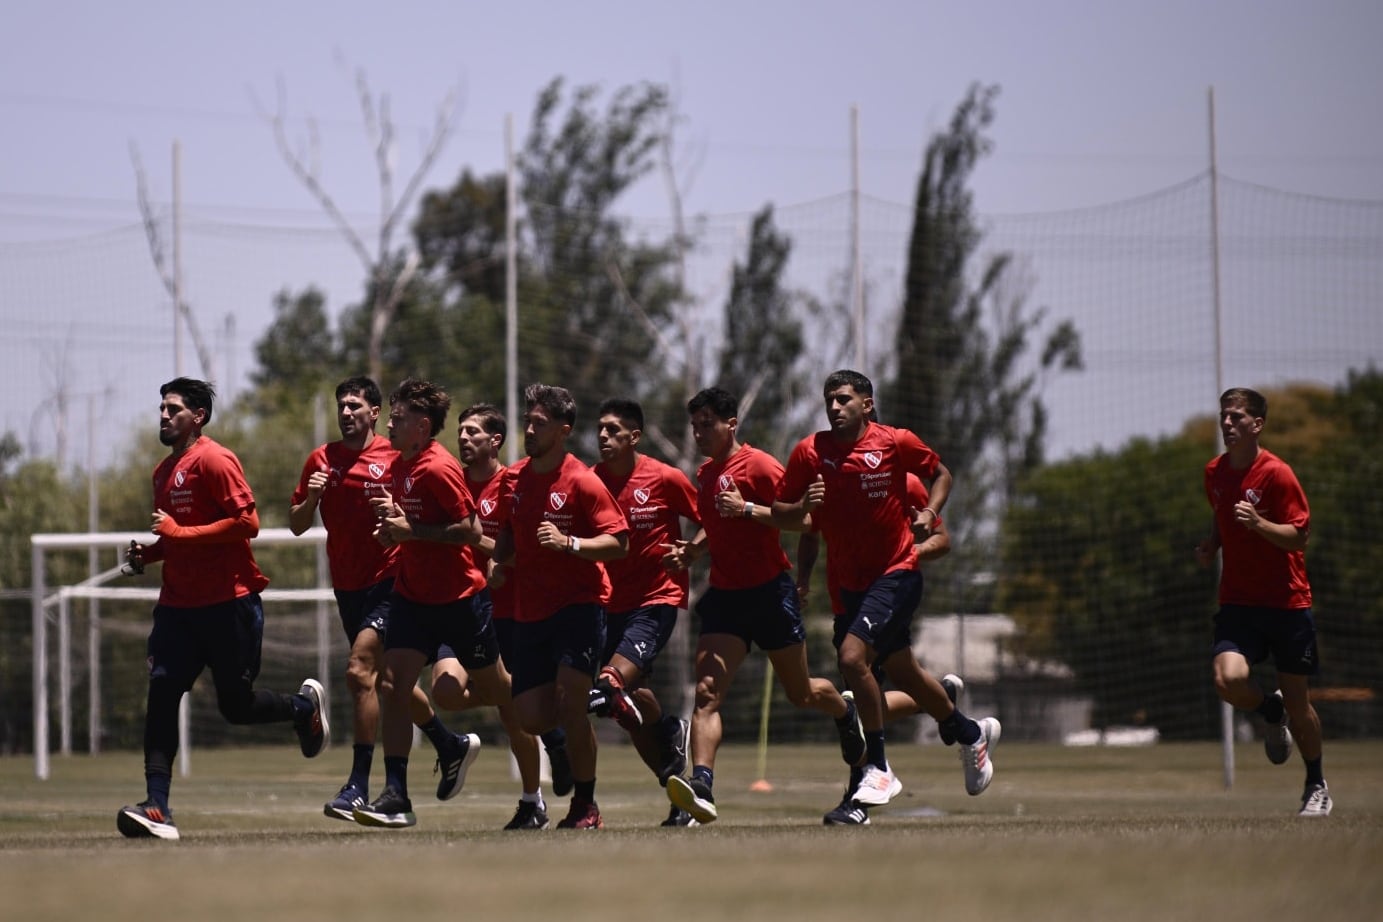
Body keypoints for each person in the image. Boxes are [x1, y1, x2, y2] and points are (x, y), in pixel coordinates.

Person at [117, 377, 328, 841]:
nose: (164, 415)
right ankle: (157, 806)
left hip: (229, 604)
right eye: (161, 408)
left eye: (173, 409)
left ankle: (301, 709)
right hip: (177, 607)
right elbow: (179, 540)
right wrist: (150, 554)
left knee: (236, 706)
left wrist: (177, 534)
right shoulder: (161, 472)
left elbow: (247, 523)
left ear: (198, 417)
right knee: (161, 694)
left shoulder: (215, 459)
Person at [786, 377, 997, 825]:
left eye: (843, 399)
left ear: (867, 404)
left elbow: (942, 495)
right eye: (828, 400)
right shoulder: (811, 453)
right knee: (901, 675)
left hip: (896, 576)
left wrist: (928, 517)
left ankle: (875, 775)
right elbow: (796, 521)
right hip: (848, 590)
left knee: (852, 662)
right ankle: (967, 731)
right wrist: (802, 551)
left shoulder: (897, 451)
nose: (834, 407)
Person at [660, 386, 866, 826]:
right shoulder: (705, 474)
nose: (698, 433)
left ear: (731, 425)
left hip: (770, 594)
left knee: (802, 694)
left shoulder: (759, 465)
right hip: (725, 597)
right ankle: (701, 787)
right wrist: (694, 550)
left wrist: (747, 508)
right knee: (706, 693)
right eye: (694, 425)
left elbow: (804, 520)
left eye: (707, 424)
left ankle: (845, 711)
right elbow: (715, 524)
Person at [288, 376, 475, 822]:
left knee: (359, 671)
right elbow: (296, 524)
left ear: (374, 413)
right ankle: (448, 743)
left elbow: (428, 510)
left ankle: (358, 785)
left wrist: (399, 517)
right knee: (389, 683)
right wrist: (311, 497)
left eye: (355, 405)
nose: (346, 412)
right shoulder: (321, 459)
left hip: (391, 581)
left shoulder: (396, 455)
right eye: (341, 405)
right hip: (348, 586)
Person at [351, 378, 508, 829]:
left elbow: (469, 529)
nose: (388, 425)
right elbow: (413, 525)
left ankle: (552, 725)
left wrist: (412, 531)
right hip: (412, 596)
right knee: (392, 685)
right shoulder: (400, 463)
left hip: (460, 600)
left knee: (501, 693)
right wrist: (394, 527)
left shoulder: (438, 467)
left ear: (421, 426)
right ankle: (396, 795)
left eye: (397, 419)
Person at [493, 383, 630, 829]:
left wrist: (569, 543)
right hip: (530, 611)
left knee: (571, 704)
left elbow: (619, 542)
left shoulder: (582, 480)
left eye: (540, 423)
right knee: (530, 716)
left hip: (579, 605)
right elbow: (507, 533)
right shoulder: (513, 479)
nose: (529, 430)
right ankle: (601, 701)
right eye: (528, 422)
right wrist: (499, 559)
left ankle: (586, 806)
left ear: (563, 430)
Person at [1195, 386, 1330, 817]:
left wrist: (1259, 524)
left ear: (1257, 424)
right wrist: (1213, 544)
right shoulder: (1215, 472)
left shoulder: (1277, 474)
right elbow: (1222, 515)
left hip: (1287, 604)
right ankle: (1270, 709)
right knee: (1227, 680)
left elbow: (1298, 536)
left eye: (1236, 416)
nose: (1227, 422)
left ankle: (1316, 784)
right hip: (1239, 603)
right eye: (1224, 415)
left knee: (1300, 704)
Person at [457, 402, 572, 830]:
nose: (463, 438)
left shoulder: (513, 484)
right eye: (461, 431)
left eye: (472, 431)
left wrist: (489, 551)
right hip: (461, 605)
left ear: (495, 441)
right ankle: (550, 733)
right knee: (447, 692)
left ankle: (532, 801)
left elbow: (526, 551)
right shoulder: (451, 481)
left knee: (513, 716)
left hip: (507, 610)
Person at [589, 397, 699, 825]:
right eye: (600, 428)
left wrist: (691, 551)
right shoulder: (590, 482)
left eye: (613, 430)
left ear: (634, 437)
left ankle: (670, 732)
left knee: (608, 686)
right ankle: (677, 783)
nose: (603, 436)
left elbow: (710, 519)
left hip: (657, 599)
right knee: (630, 710)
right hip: (607, 605)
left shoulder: (665, 477)